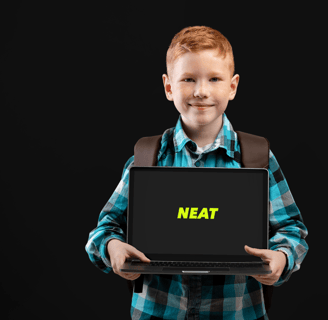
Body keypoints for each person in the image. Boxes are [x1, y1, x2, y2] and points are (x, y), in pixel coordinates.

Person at [85, 26, 309, 320]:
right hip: (158, 313)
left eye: (214, 79)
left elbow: (293, 230)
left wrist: (282, 257)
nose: (201, 91)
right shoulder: (147, 158)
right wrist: (112, 247)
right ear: (168, 87)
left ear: (232, 86)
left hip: (237, 314)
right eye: (188, 79)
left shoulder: (257, 158)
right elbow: (103, 230)